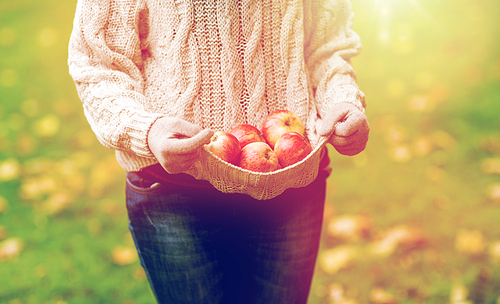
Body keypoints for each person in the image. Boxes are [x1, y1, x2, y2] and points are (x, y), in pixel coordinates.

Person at [68, 0, 369, 303]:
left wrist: (341, 101)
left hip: (289, 180)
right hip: (173, 189)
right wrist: (148, 130)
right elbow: (98, 64)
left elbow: (329, 45)